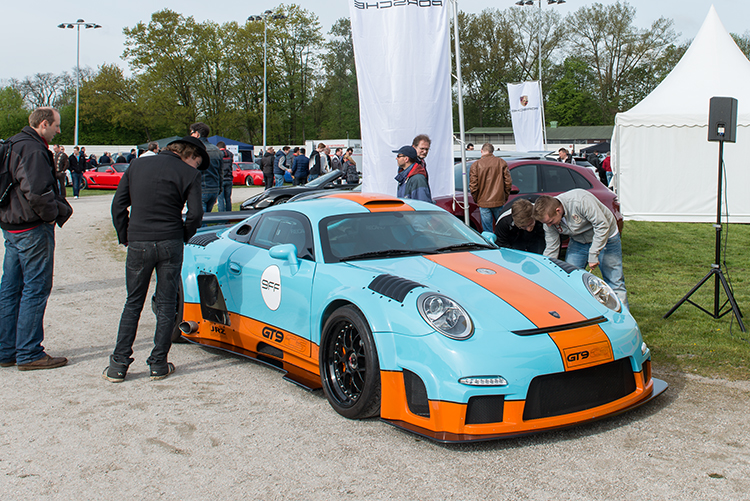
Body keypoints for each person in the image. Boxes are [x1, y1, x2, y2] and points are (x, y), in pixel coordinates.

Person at [104, 136, 206, 383]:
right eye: (197, 162)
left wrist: (125, 234)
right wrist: (183, 234)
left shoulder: (137, 165)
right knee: (166, 303)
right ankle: (158, 363)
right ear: (189, 155)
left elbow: (118, 205)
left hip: (138, 239)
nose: (196, 167)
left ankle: (119, 364)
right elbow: (195, 214)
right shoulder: (189, 174)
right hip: (170, 239)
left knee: (133, 302)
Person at [0, 107, 73, 371]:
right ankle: (29, 351)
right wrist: (51, 215)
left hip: (12, 224)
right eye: (57, 125)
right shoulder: (31, 149)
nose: (58, 130)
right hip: (30, 226)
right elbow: (38, 190)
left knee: (10, 288)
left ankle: (7, 349)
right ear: (44, 124)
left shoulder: (13, 143)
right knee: (35, 288)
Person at [533, 190, 627, 308]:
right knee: (570, 280)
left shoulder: (581, 201)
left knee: (614, 281)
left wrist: (593, 254)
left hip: (606, 236)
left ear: (558, 210)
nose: (549, 226)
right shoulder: (548, 220)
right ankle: (577, 315)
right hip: (579, 240)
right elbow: (552, 246)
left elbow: (602, 226)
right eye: (547, 223)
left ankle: (623, 319)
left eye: (551, 222)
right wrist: (546, 269)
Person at [469, 142, 512, 232]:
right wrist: (504, 197)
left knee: (487, 230)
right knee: (502, 227)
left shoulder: (476, 165)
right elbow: (508, 183)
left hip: (483, 201)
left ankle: (490, 244)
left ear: (482, 151)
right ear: (492, 152)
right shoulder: (501, 162)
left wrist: (477, 199)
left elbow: (473, 186)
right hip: (499, 200)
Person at [189, 122, 222, 213]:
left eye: (192, 133)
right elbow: (220, 172)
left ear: (197, 134)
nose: (190, 135)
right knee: (207, 216)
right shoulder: (217, 150)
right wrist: (219, 189)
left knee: (199, 220)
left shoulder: (194, 150)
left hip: (200, 189)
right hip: (214, 188)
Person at [216, 141, 234, 212]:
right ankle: (229, 216)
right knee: (228, 199)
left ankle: (221, 217)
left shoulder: (218, 154)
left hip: (221, 179)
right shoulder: (230, 154)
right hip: (229, 178)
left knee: (221, 200)